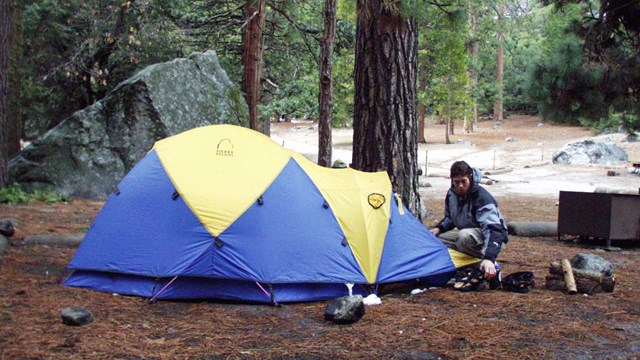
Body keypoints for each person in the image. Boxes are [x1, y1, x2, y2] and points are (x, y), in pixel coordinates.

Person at [430, 160, 508, 280]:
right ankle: (462, 267)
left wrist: (489, 258)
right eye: (456, 182)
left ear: (470, 178)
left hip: (491, 237)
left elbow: (494, 230)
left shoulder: (481, 197)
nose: (460, 186)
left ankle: (490, 266)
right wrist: (438, 228)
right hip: (469, 233)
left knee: (463, 237)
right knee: (437, 240)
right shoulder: (452, 194)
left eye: (463, 181)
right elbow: (450, 219)